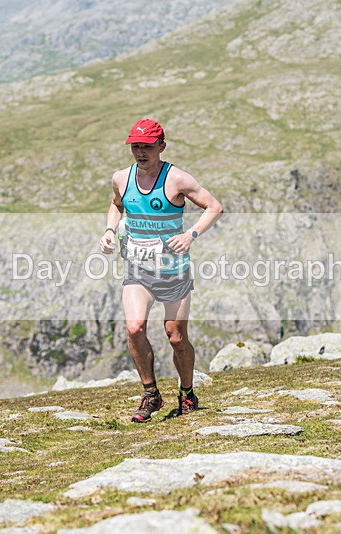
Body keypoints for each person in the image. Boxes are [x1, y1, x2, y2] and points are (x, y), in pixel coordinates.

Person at [99, 118, 224, 423]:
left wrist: (190, 234)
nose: (141, 152)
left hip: (173, 272)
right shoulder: (121, 178)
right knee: (134, 328)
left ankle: (187, 392)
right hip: (138, 270)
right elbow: (117, 205)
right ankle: (151, 394)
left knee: (176, 337)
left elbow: (214, 206)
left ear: (161, 146)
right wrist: (109, 230)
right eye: (136, 146)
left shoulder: (177, 179)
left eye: (147, 146)